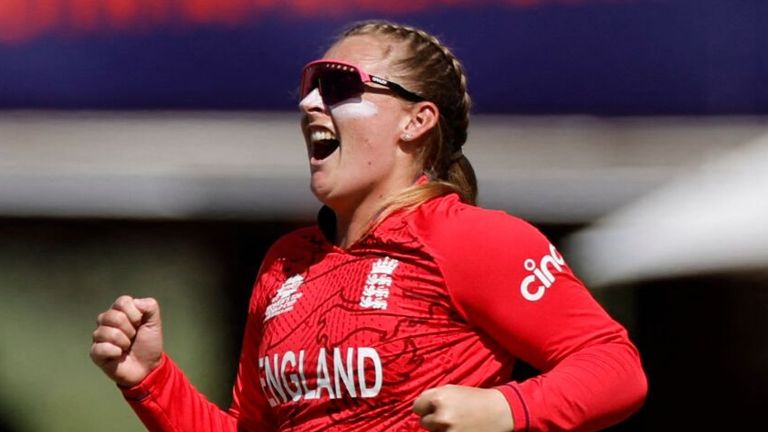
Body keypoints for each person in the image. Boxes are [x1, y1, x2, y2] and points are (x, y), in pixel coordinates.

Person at [90, 20, 647, 431]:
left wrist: (506, 408)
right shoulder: (286, 263)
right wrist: (150, 379)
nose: (309, 102)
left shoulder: (472, 238)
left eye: (337, 85)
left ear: (416, 120)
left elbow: (615, 367)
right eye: (308, 86)